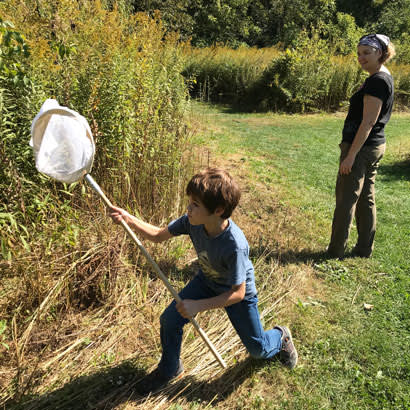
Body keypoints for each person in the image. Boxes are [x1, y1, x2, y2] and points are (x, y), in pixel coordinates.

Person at [108, 168, 298, 393]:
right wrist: (127, 219)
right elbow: (158, 236)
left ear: (218, 210)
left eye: (195, 204)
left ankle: (281, 336)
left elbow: (237, 293)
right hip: (207, 280)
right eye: (190, 201)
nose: (188, 208)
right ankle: (170, 368)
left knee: (258, 350)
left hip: (236, 293)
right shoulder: (191, 222)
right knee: (170, 319)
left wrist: (197, 305)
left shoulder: (234, 245)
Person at [327, 34, 395, 259]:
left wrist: (350, 155)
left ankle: (335, 251)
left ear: (380, 53)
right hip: (374, 145)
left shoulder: (377, 81)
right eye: (358, 53)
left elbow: (368, 122)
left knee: (346, 199)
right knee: (365, 198)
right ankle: (364, 248)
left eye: (367, 52)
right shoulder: (381, 76)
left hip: (362, 148)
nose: (361, 57)